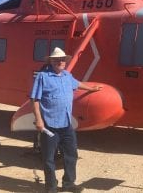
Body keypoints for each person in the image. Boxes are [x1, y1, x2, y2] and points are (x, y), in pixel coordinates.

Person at [31, 47, 101, 193]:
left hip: (66, 124)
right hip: (49, 125)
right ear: (51, 61)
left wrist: (91, 89)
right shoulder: (43, 77)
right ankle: (51, 187)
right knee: (49, 158)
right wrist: (39, 120)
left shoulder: (67, 76)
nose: (60, 62)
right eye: (56, 60)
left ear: (65, 62)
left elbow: (78, 84)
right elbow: (35, 99)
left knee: (71, 155)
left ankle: (68, 184)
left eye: (62, 60)